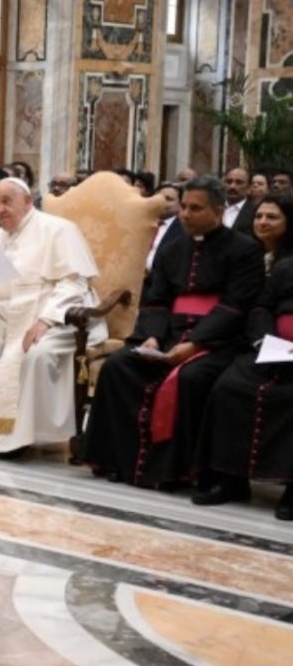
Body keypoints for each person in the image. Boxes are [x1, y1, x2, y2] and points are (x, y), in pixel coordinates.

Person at [82, 176, 265, 487]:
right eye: (183, 207)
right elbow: (156, 301)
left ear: (218, 212)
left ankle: (178, 471)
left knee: (191, 378)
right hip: (168, 335)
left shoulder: (245, 250)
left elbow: (235, 306)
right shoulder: (172, 250)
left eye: (196, 208)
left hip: (218, 341)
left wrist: (195, 343)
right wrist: (152, 336)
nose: (185, 214)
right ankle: (120, 460)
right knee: (118, 367)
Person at [0, 177, 104, 455]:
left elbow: (74, 282)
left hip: (54, 320)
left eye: (6, 201)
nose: (0, 209)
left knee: (37, 354)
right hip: (3, 320)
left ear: (27, 201)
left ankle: (20, 438)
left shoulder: (58, 230)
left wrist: (45, 320)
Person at [192, 196, 293, 519]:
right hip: (274, 348)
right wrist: (264, 339)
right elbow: (262, 306)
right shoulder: (285, 268)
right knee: (229, 387)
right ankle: (229, 479)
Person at [146, 182, 184, 273]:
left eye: (168, 199)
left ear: (180, 205)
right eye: (159, 198)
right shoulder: (143, 221)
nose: (162, 202)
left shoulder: (183, 230)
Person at [224, 167, 257, 234]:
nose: (232, 186)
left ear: (249, 187)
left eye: (239, 182)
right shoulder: (213, 207)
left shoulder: (255, 212)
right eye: (229, 182)